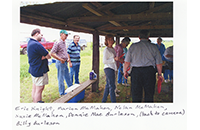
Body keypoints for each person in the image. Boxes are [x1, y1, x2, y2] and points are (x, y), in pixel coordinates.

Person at [123, 30, 163, 102]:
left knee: (136, 94)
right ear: (148, 37)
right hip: (149, 72)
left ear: (139, 37)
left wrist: (125, 71)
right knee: (149, 93)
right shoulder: (154, 47)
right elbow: (159, 63)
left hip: (136, 72)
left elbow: (127, 62)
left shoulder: (133, 46)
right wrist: (160, 74)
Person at [27, 28, 51, 103]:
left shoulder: (29, 42)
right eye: (41, 35)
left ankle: (34, 103)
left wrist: (41, 57)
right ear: (36, 34)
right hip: (39, 70)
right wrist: (43, 57)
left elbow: (35, 56)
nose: (41, 36)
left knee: (35, 88)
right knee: (39, 89)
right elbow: (48, 56)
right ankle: (38, 104)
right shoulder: (36, 44)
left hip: (34, 69)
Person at [50, 30, 72, 97]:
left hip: (65, 62)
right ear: (61, 34)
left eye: (67, 35)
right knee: (61, 78)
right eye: (65, 35)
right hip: (60, 62)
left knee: (67, 76)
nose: (66, 36)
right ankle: (61, 93)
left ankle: (71, 89)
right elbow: (52, 53)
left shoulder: (64, 42)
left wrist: (67, 59)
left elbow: (65, 52)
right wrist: (60, 59)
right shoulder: (58, 42)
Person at [102, 34, 118, 103]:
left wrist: (118, 59)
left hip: (112, 68)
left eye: (112, 39)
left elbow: (113, 58)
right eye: (109, 40)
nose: (111, 41)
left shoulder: (112, 48)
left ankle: (104, 101)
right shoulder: (106, 50)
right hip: (108, 68)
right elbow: (104, 61)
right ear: (106, 41)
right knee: (112, 86)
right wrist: (114, 59)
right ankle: (113, 102)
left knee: (108, 86)